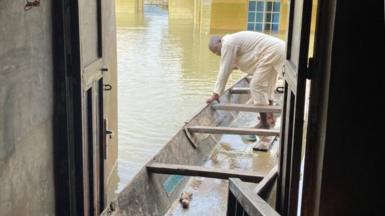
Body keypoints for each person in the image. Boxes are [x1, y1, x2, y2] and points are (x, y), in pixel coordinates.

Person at [206, 31, 285, 134]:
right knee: (268, 85)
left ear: (219, 42)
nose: (218, 54)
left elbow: (224, 71)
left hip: (272, 52)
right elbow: (249, 57)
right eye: (215, 54)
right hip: (279, 49)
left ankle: (264, 123)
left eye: (217, 51)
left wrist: (216, 94)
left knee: (256, 86)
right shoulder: (233, 40)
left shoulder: (227, 44)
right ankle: (270, 116)